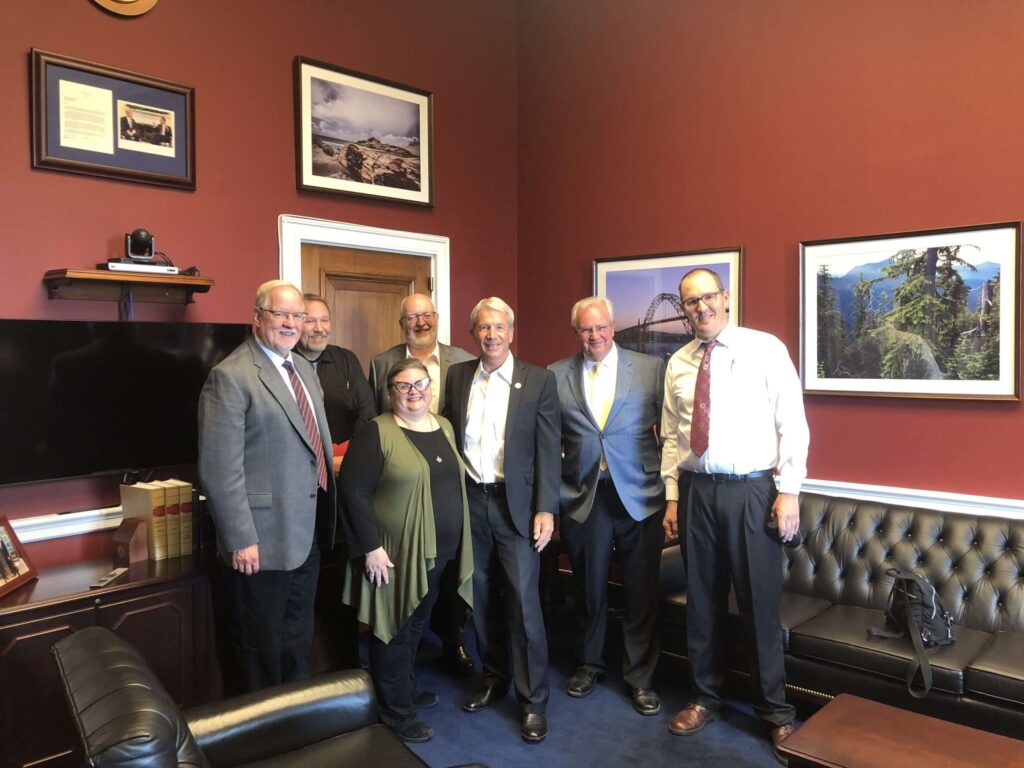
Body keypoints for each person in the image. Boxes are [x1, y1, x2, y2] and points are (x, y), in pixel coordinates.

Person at [660, 268, 809, 766]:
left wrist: (788, 491)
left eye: (707, 298)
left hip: (752, 492)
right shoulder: (678, 362)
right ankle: (704, 697)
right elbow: (673, 436)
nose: (700, 308)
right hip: (698, 491)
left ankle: (775, 713)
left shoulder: (764, 349)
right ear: (682, 308)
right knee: (700, 601)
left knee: (757, 604)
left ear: (725, 298)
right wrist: (673, 496)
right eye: (689, 302)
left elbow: (794, 424)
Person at [198, 280, 336, 692]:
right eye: (281, 314)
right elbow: (219, 469)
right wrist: (240, 537)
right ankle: (265, 736)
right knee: (259, 647)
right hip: (259, 541)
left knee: (297, 637)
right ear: (258, 318)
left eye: (299, 315)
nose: (292, 324)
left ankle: (294, 719)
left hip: (305, 532)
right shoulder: (232, 376)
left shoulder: (305, 370)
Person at [443, 296, 560, 742]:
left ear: (511, 332)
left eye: (498, 328)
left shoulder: (538, 381)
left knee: (524, 604)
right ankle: (494, 677)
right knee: (483, 594)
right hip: (471, 501)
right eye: (482, 329)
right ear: (473, 335)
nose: (490, 335)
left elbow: (549, 449)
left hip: (519, 509)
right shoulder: (457, 377)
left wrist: (546, 507)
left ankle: (533, 702)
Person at [338, 359, 472, 743]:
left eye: (420, 384)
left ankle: (406, 688)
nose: (414, 392)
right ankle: (394, 711)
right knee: (393, 628)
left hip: (439, 550)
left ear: (432, 386)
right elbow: (353, 492)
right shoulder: (375, 432)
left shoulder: (442, 426)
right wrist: (371, 547)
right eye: (403, 386)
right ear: (390, 392)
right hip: (395, 553)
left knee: (416, 623)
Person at [548, 296, 665, 716]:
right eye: (585, 329)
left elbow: (669, 434)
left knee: (641, 592)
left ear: (612, 326)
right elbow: (549, 442)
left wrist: (671, 490)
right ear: (576, 331)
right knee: (588, 587)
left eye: (600, 328)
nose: (593, 336)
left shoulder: (651, 369)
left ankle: (640, 677)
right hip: (584, 496)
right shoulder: (555, 374)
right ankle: (589, 664)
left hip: (641, 495)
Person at [368, 292, 476, 677]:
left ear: (437, 318)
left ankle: (453, 644)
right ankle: (400, 678)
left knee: (446, 582)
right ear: (403, 323)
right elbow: (375, 423)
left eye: (427, 314)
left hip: (448, 473)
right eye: (413, 316)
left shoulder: (462, 360)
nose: (421, 322)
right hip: (405, 484)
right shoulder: (382, 363)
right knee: (410, 593)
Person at [296, 294, 376, 471]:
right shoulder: (284, 363)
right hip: (298, 465)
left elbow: (367, 413)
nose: (319, 328)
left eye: (324, 320)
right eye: (309, 321)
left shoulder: (346, 359)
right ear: (296, 323)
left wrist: (351, 456)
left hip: (345, 464)